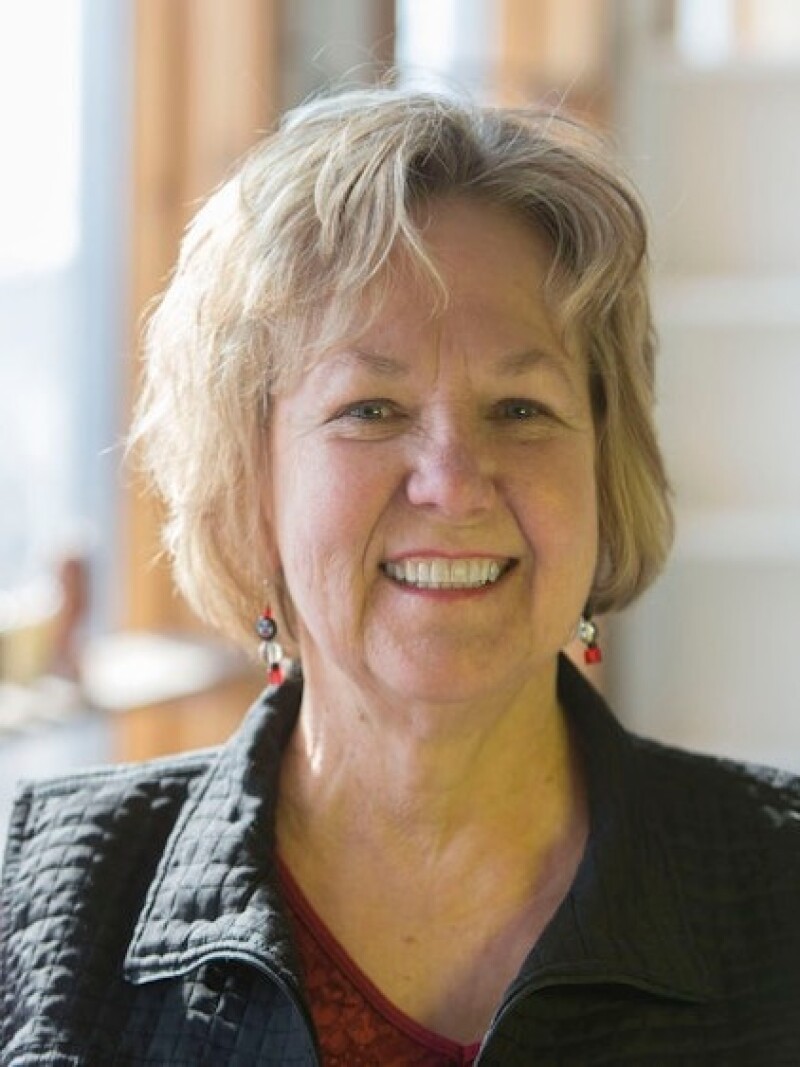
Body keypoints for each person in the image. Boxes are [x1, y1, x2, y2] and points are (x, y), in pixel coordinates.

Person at [2, 87, 799, 1067]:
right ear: (251, 481)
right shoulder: (49, 906)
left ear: (604, 464)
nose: (453, 482)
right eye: (371, 409)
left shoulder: (780, 882)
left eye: (520, 408)